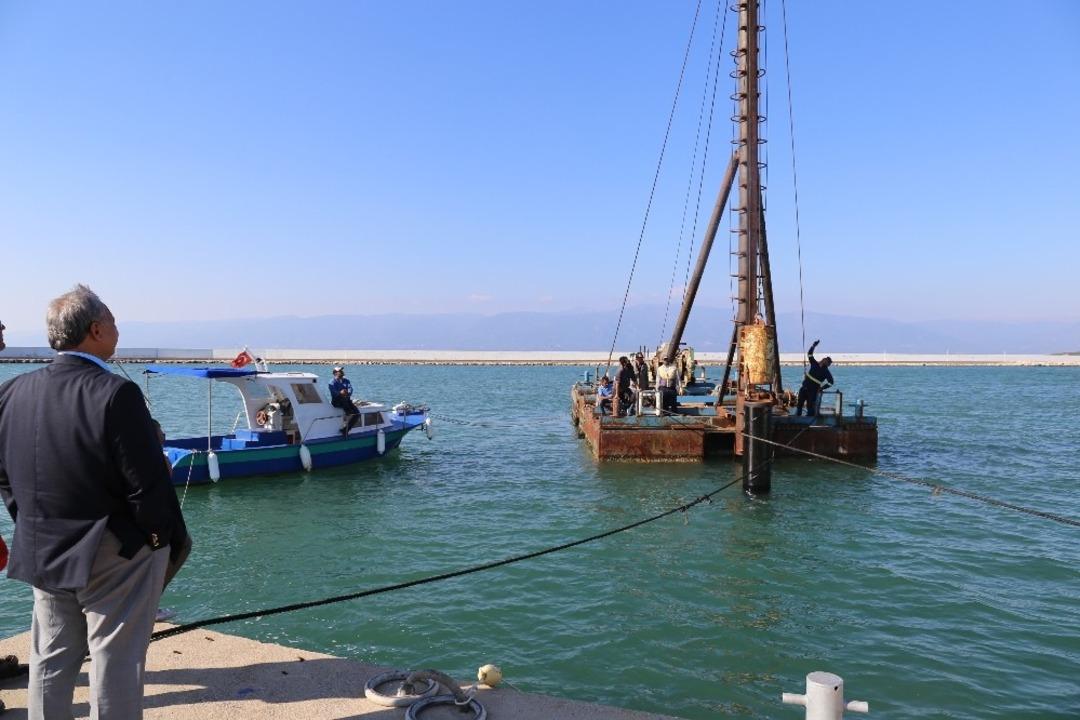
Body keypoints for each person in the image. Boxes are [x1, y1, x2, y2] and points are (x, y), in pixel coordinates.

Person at [0, 285, 189, 720]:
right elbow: (147, 484)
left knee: (50, 656)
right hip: (111, 550)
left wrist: (27, 518)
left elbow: (4, 473)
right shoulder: (116, 393)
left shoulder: (12, 391)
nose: (118, 329)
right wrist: (152, 540)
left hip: (43, 543)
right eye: (114, 321)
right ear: (96, 329)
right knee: (115, 658)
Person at [796, 339, 834, 417]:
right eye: (825, 359)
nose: (824, 360)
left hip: (813, 391)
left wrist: (822, 388)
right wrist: (813, 346)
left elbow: (831, 382)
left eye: (827, 360)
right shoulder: (814, 364)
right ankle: (797, 419)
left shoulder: (826, 371)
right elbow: (809, 354)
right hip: (804, 388)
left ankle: (809, 421)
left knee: (810, 407)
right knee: (799, 405)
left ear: (827, 363)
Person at [328, 365, 360, 435]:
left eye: (342, 371)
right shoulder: (332, 382)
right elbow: (334, 393)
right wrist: (340, 393)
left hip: (347, 401)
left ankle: (345, 430)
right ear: (335, 373)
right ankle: (348, 412)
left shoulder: (346, 380)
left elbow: (350, 389)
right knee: (345, 402)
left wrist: (347, 393)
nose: (342, 372)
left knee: (357, 414)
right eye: (340, 371)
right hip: (336, 401)